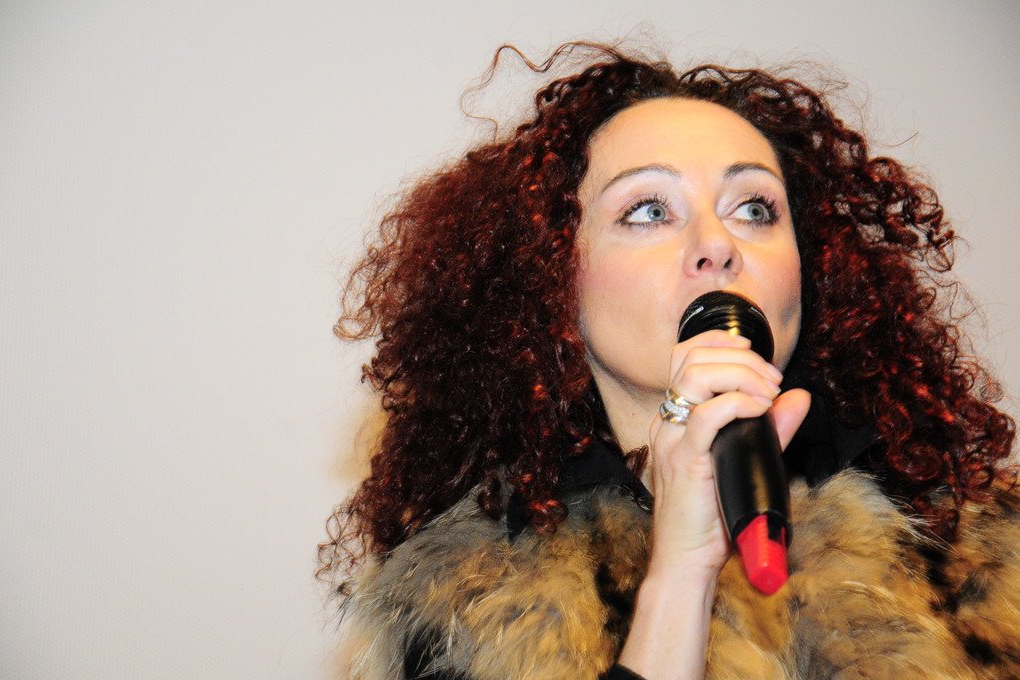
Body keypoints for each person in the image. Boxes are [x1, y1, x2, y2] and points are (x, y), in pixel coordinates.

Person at [318, 42, 1019, 679]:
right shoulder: (461, 605)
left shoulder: (981, 552)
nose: (717, 245)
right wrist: (681, 576)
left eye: (754, 209)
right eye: (650, 211)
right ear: (552, 279)